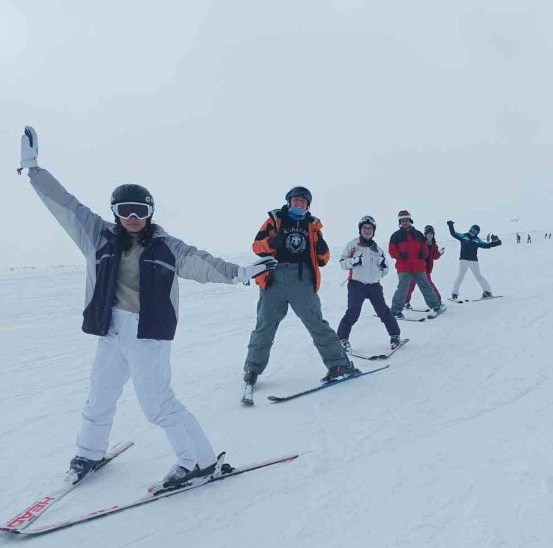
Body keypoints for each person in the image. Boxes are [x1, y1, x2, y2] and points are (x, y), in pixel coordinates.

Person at [19, 126, 276, 489]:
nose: (133, 217)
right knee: (100, 396)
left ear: (150, 212)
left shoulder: (165, 246)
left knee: (157, 404)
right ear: (116, 212)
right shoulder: (97, 235)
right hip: (110, 329)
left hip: (148, 333)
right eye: (126, 210)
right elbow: (65, 204)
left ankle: (198, 461)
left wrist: (240, 273)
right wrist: (33, 169)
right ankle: (89, 453)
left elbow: (200, 262)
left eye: (141, 210)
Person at [243, 185, 358, 387]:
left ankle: (339, 365)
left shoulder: (312, 226)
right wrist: (272, 243)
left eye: (303, 202)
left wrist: (323, 250)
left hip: (302, 278)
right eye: (296, 200)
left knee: (316, 322)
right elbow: (256, 246)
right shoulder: (275, 219)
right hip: (274, 278)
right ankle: (252, 368)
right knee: (265, 324)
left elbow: (323, 259)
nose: (299, 204)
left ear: (307, 206)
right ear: (289, 202)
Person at [336, 216, 400, 351]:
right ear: (360, 230)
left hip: (374, 286)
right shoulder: (353, 245)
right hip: (356, 285)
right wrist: (353, 261)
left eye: (370, 228)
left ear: (373, 231)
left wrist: (383, 266)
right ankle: (342, 339)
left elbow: (385, 271)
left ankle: (395, 335)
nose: (367, 230)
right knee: (352, 313)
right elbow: (342, 263)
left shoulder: (378, 250)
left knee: (383, 311)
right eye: (364, 228)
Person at [388, 211, 445, 318]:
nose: (405, 222)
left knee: (426, 286)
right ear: (400, 222)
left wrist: (424, 253)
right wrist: (399, 255)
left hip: (419, 266)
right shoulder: (395, 236)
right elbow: (392, 250)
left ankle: (435, 306)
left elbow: (425, 248)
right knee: (402, 288)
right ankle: (395, 310)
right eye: (403, 221)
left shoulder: (418, 234)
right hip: (404, 267)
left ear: (410, 221)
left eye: (407, 220)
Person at [447, 222, 501, 300]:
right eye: (472, 230)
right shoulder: (463, 236)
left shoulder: (477, 240)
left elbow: (487, 245)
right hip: (463, 261)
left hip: (474, 261)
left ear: (477, 233)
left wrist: (497, 243)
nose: (472, 232)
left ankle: (487, 292)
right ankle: (454, 294)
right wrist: (450, 225)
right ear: (470, 229)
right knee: (460, 277)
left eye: (475, 231)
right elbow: (453, 233)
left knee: (479, 276)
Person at [404, 224, 443, 309]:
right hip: (417, 268)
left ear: (433, 235)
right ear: (425, 235)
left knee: (429, 285)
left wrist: (439, 253)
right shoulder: (421, 243)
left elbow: (435, 257)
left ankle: (438, 301)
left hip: (427, 270)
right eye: (428, 234)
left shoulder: (434, 246)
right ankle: (405, 302)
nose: (430, 235)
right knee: (411, 285)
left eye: (431, 234)